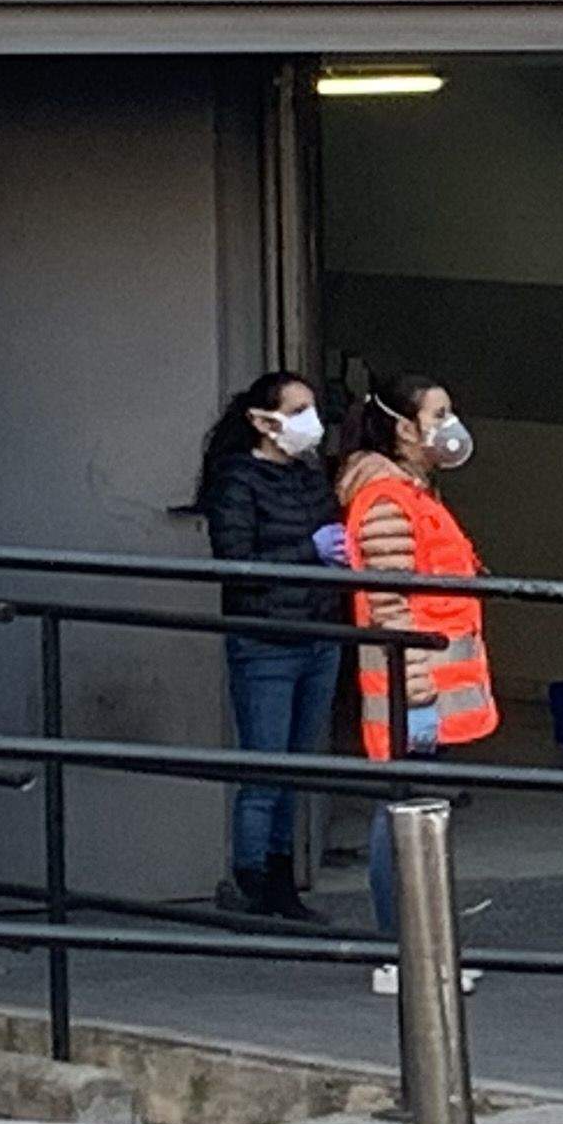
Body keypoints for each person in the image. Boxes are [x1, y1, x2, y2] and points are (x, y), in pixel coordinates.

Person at [336, 376, 498, 980]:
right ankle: (403, 954)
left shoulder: (410, 492)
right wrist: (418, 685)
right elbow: (390, 601)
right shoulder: (388, 497)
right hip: (415, 688)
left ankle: (417, 952)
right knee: (405, 816)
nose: (451, 424)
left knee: (416, 814)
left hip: (423, 686)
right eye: (440, 413)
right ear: (404, 427)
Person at [192, 369, 347, 922]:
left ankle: (281, 884)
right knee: (264, 771)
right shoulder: (237, 480)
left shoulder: (308, 476)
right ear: (262, 421)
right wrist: (311, 553)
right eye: (298, 409)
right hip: (265, 643)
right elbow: (237, 565)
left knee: (296, 768)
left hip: (319, 638)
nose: (312, 422)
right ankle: (251, 883)